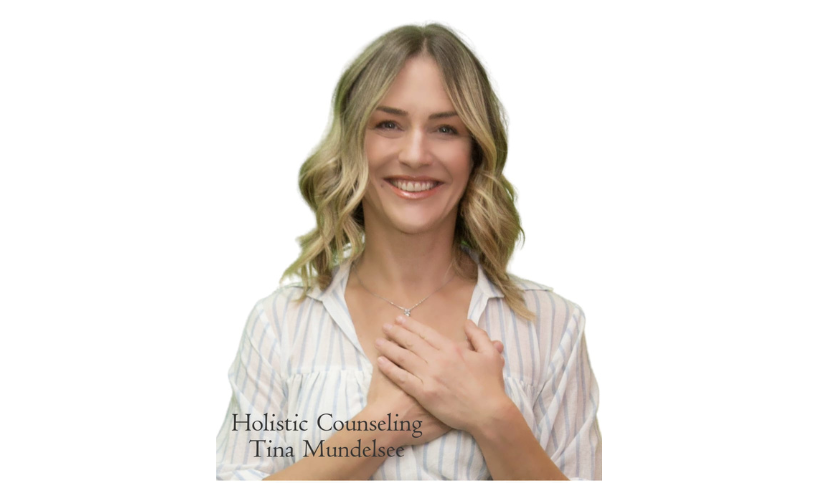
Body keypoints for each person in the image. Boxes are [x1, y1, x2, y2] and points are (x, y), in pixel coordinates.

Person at [216, 23, 601, 480]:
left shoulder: (551, 326)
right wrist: (381, 427)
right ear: (354, 142)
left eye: (445, 128)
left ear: (475, 153)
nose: (416, 154)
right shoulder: (278, 326)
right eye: (389, 124)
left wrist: (493, 417)